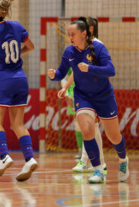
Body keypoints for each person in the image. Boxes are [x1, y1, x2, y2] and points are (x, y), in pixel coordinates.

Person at [48, 17, 129, 184]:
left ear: (84, 33)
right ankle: (98, 169)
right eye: (69, 34)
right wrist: (54, 75)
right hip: (83, 96)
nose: (70, 37)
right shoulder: (69, 51)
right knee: (86, 129)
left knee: (114, 137)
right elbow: (62, 72)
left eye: (73, 34)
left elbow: (111, 70)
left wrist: (90, 68)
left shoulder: (98, 47)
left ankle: (123, 161)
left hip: (103, 96)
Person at [0, 0, 38, 182]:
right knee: (18, 124)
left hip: (2, 80)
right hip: (20, 79)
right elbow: (30, 46)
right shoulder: (17, 26)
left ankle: (4, 157)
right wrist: (17, 54)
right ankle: (29, 159)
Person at [61, 17, 107, 174]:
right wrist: (66, 88)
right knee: (89, 127)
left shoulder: (98, 46)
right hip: (83, 93)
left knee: (93, 129)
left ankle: (92, 162)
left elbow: (106, 70)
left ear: (89, 31)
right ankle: (96, 162)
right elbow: (74, 70)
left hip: (97, 93)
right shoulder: (79, 49)